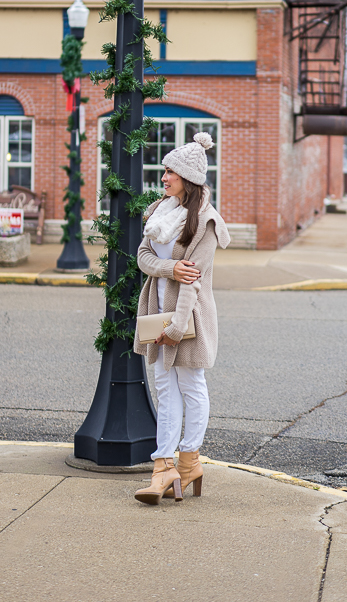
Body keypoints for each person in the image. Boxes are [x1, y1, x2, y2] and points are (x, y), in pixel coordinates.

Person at [133, 132, 230, 505]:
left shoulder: (206, 222)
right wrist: (170, 267)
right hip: (156, 310)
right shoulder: (161, 210)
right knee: (163, 386)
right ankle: (163, 466)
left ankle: (190, 461)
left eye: (169, 172)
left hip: (189, 316)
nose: (163, 178)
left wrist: (176, 328)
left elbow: (194, 281)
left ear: (187, 178)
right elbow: (143, 257)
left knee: (191, 384)